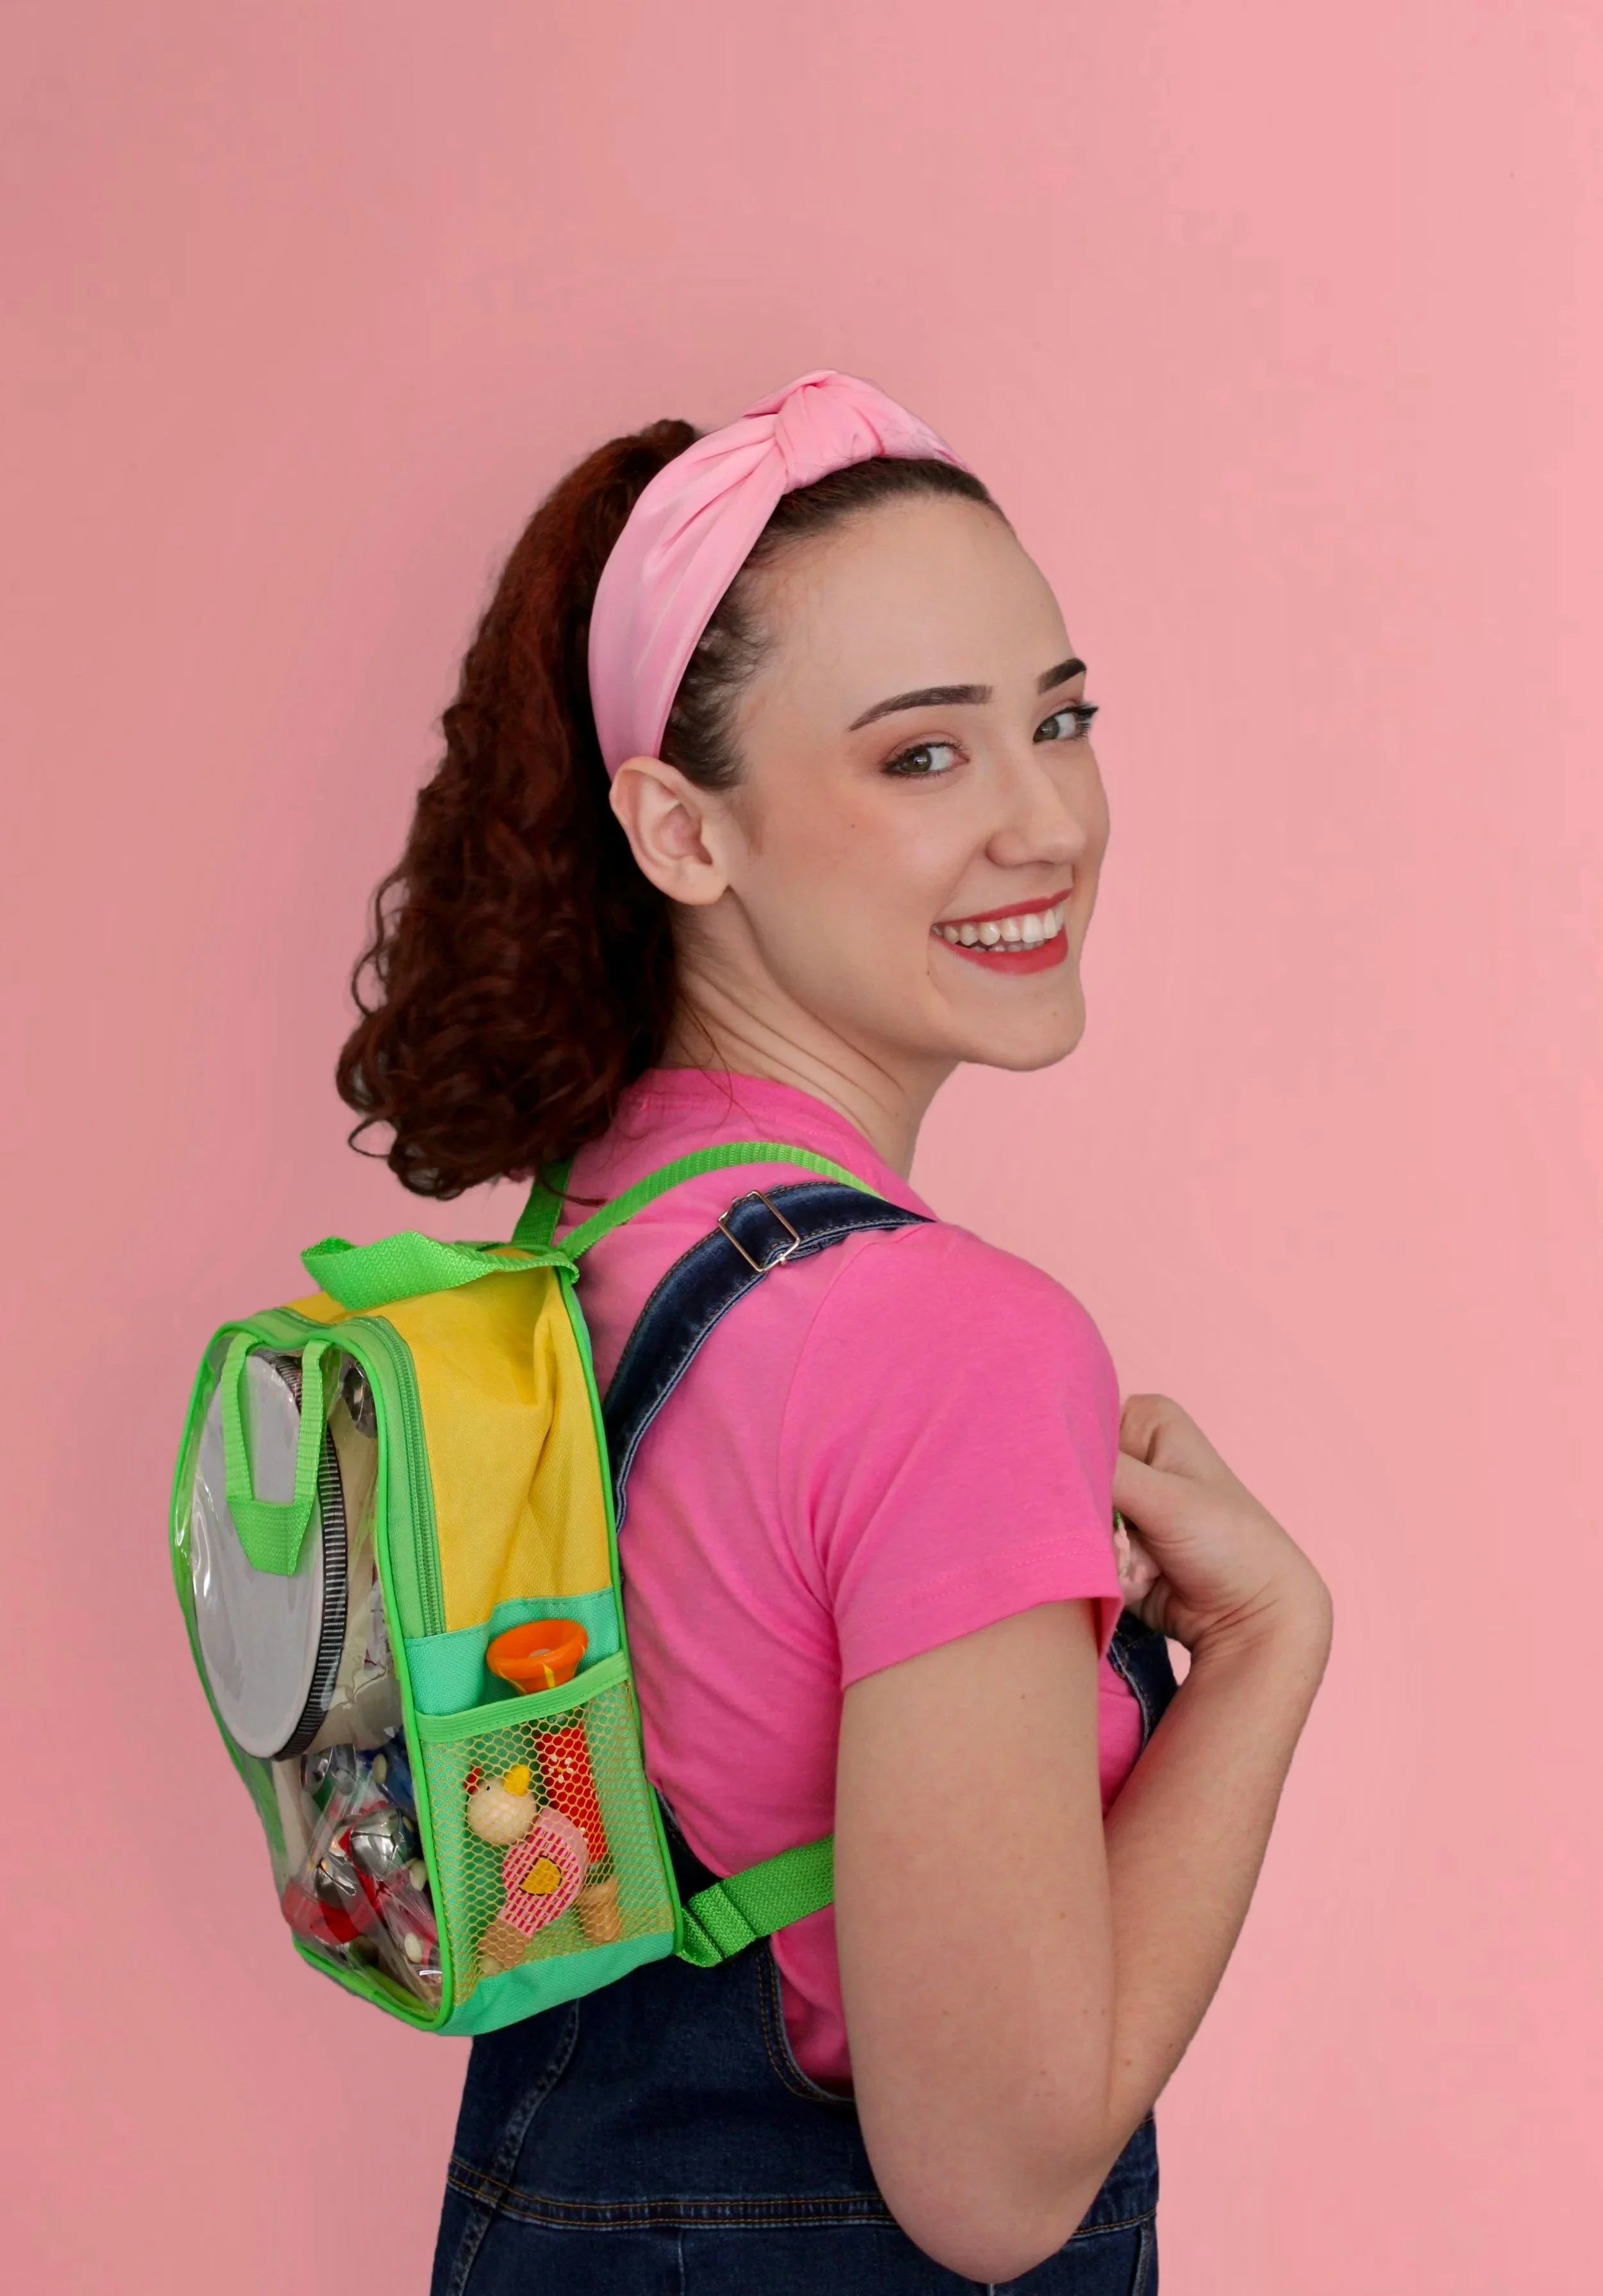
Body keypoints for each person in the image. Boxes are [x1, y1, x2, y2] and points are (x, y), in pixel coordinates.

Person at [339, 371, 1332, 2293]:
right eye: (920, 758)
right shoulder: (946, 1340)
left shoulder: (605, 1222)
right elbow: (994, 2181)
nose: (1045, 820)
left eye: (1060, 720)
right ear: (681, 832)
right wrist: (1270, 1647)